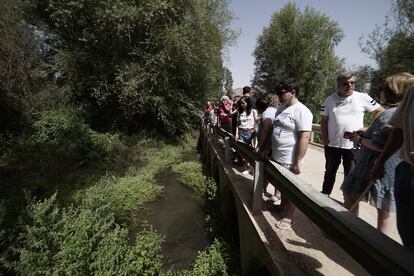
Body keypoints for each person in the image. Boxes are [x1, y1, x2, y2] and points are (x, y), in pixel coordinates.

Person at [341, 73, 414, 236]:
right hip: (392, 168)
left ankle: (349, 231)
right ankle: (382, 247)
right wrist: (367, 131)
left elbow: (380, 145)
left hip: (372, 165)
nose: (380, 91)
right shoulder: (400, 113)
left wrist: (359, 139)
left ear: (394, 91)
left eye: (384, 88)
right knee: (386, 211)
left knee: (351, 197)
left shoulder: (389, 114)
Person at [320, 73, 384, 196]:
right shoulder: (329, 100)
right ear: (338, 85)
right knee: (329, 172)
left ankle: (347, 201)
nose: (349, 85)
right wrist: (325, 141)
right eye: (345, 83)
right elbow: (324, 122)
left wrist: (369, 129)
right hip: (332, 145)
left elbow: (381, 112)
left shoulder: (363, 97)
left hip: (354, 145)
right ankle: (324, 195)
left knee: (351, 175)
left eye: (352, 83)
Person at [370, 83, 414, 251]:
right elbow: (399, 130)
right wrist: (381, 161)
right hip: (406, 170)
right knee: (408, 236)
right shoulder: (412, 92)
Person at [271, 79, 313, 229]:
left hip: (290, 158)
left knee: (291, 189)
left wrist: (298, 161)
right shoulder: (281, 108)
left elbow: (305, 137)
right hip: (277, 157)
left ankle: (289, 217)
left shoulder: (302, 111)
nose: (279, 96)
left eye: (282, 93)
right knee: (282, 187)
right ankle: (283, 209)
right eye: (278, 93)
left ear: (293, 92)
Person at [254, 93, 280, 204]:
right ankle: (266, 190)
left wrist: (261, 145)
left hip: (266, 146)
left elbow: (266, 129)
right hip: (271, 145)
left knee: (265, 169)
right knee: (270, 170)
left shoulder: (268, 112)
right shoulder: (276, 111)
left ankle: (262, 190)